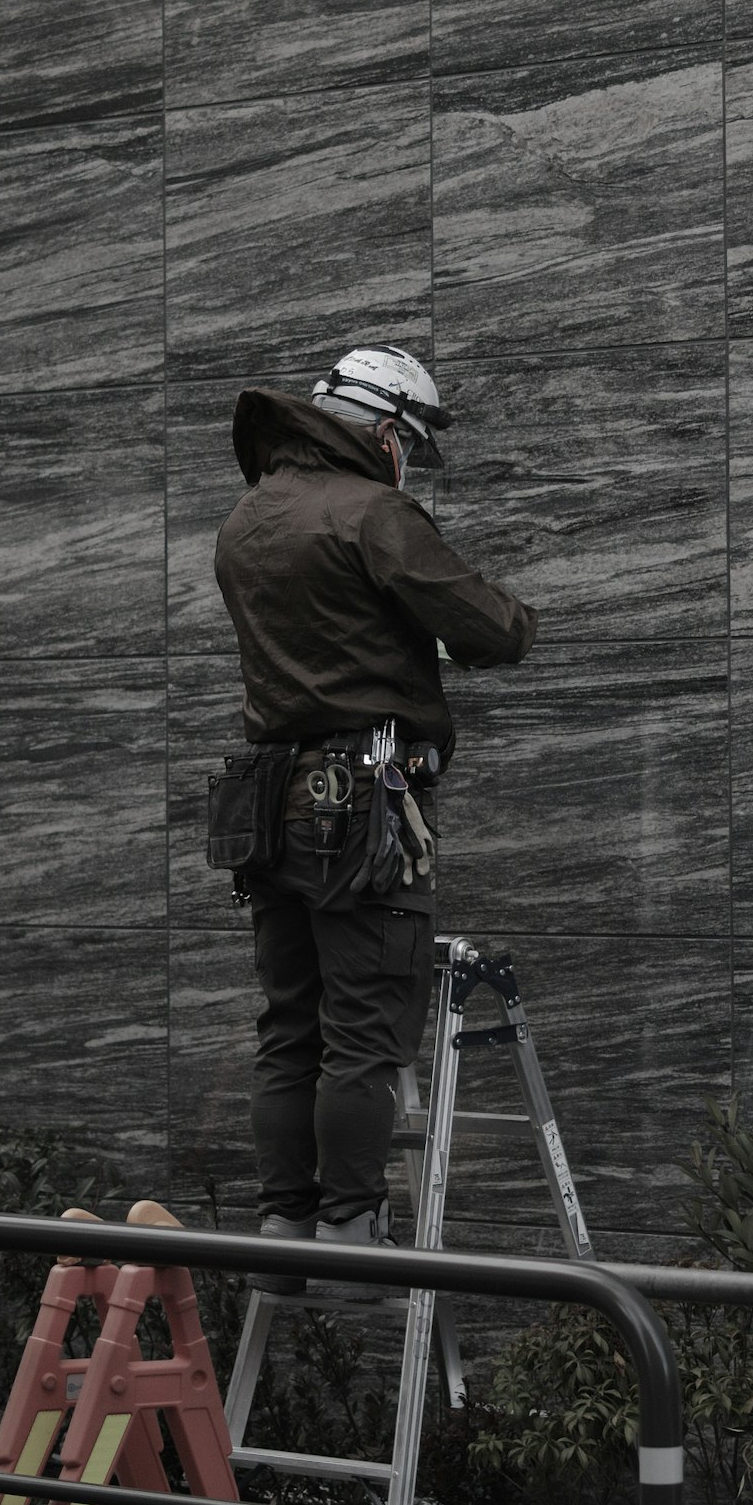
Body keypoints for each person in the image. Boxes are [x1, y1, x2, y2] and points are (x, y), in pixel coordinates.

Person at [211, 344, 537, 1293]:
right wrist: (513, 622)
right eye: (411, 445)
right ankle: (355, 1231)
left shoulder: (246, 518)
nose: (409, 462)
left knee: (288, 1025)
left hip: (267, 805)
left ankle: (285, 1230)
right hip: (359, 809)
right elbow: (487, 623)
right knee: (363, 1030)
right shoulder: (373, 513)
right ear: (386, 432)